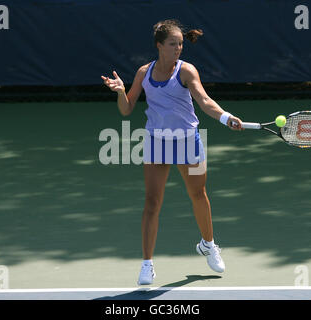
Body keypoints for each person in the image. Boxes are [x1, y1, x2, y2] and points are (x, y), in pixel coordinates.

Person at [101, 19, 243, 285]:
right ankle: (147, 265)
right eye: (172, 44)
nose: (178, 48)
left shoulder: (186, 71)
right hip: (156, 142)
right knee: (152, 203)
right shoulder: (144, 72)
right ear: (159, 46)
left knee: (199, 194)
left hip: (190, 141)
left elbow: (204, 100)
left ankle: (208, 245)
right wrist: (120, 91)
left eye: (180, 44)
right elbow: (126, 108)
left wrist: (225, 117)